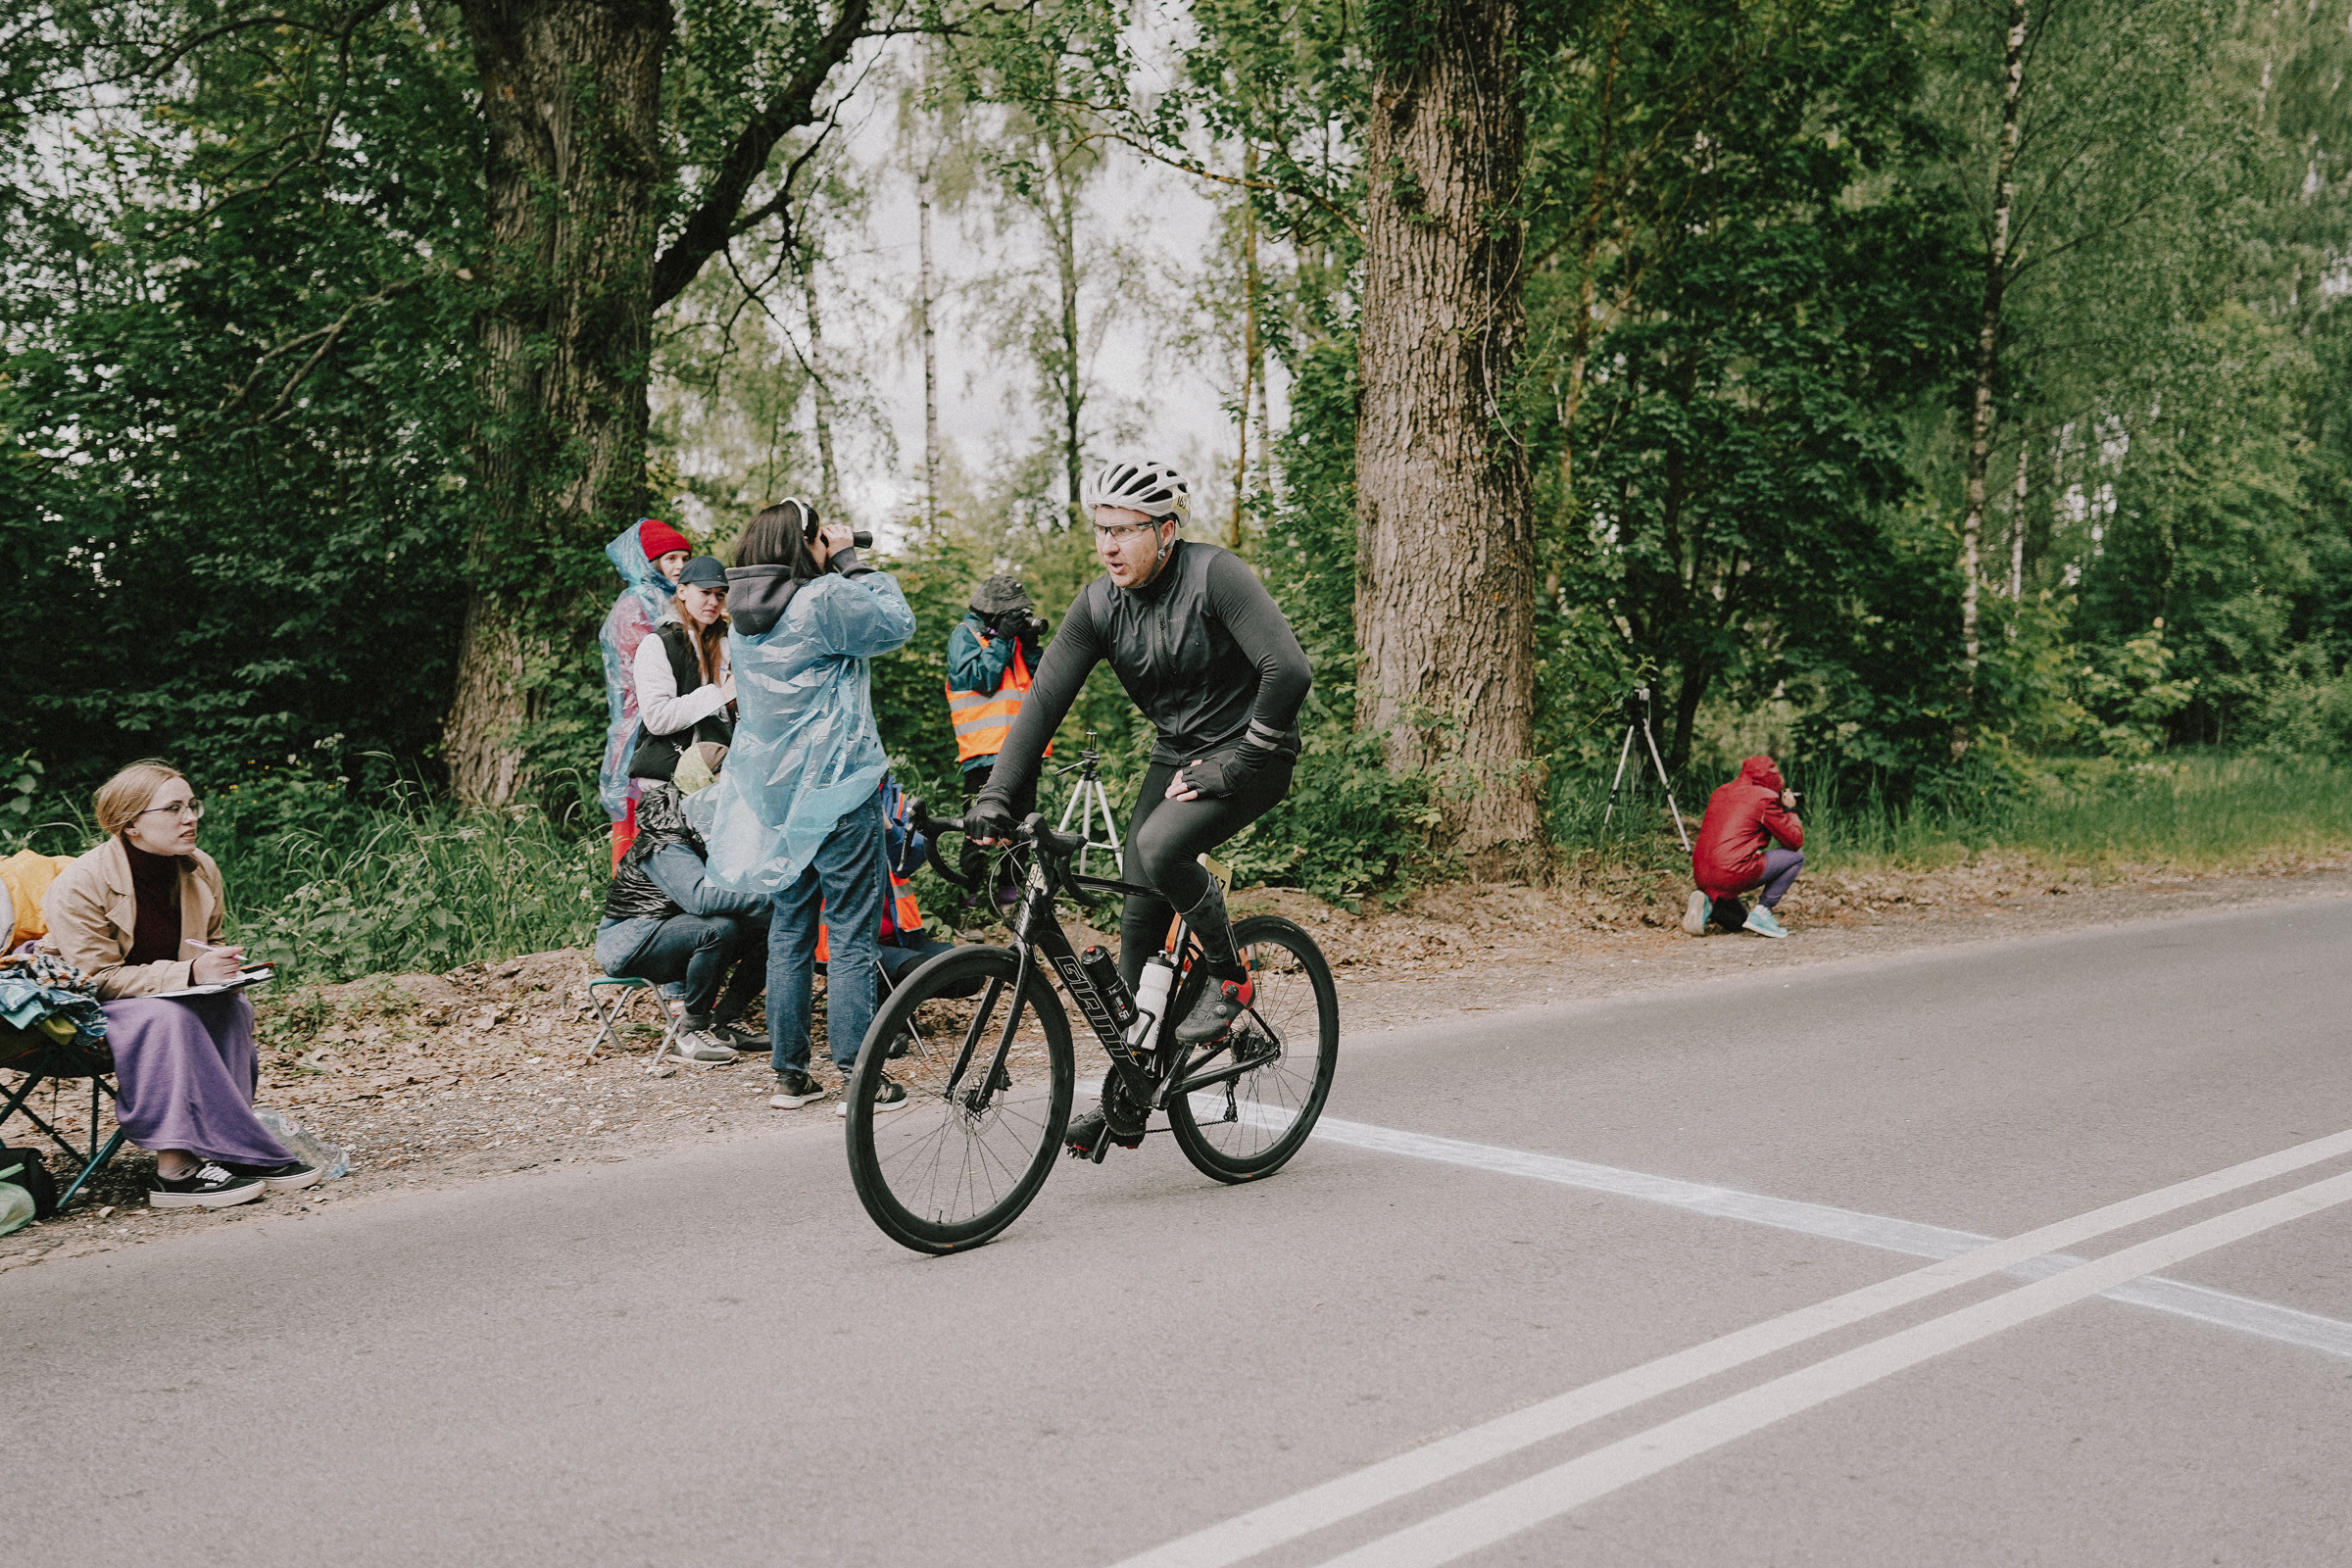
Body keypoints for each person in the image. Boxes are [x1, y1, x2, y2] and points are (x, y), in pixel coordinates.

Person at [965, 456, 1311, 1156]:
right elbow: (1040, 706)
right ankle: (1130, 1088)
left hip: (1252, 752)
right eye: (1101, 530)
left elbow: (1289, 669)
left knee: (1159, 850)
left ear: (1167, 531)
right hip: (1178, 755)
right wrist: (998, 795)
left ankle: (1229, 977)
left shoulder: (1216, 575)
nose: (1109, 546)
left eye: (1125, 530)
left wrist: (1240, 762)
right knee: (1137, 910)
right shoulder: (1100, 605)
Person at [688, 499, 914, 1112]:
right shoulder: (819, 601)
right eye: (819, 539)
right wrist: (849, 560)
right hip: (839, 791)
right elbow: (895, 623)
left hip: (777, 801)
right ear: (804, 543)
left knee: (789, 929)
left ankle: (790, 1074)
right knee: (850, 934)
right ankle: (858, 1075)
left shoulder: (741, 620)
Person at [41, 760, 317, 1209]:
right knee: (167, 1016)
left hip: (171, 995)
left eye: (192, 806)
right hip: (91, 1007)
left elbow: (211, 943)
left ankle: (234, 1147)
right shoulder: (79, 884)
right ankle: (174, 1172)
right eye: (173, 809)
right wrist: (189, 974)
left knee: (231, 1007)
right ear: (129, 823)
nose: (190, 818)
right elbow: (95, 979)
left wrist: (224, 970)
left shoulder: (199, 867)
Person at [594, 755, 768, 1063]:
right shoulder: (664, 837)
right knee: (717, 929)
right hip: (630, 939)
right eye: (723, 774)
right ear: (699, 779)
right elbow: (699, 898)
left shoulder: (703, 824)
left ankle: (726, 1021)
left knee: (769, 924)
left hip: (671, 929)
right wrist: (770, 897)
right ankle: (689, 1033)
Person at [598, 516, 694, 867]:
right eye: (671, 559)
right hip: (640, 727)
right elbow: (648, 671)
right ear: (651, 562)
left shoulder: (673, 599)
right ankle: (628, 898)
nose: (680, 566)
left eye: (685, 558)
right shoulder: (635, 605)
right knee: (636, 816)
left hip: (671, 720)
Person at [945, 574, 1048, 896]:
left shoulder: (1010, 641)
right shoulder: (965, 636)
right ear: (994, 612)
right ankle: (971, 893)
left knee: (1020, 826)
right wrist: (1004, 638)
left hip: (1024, 748)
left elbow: (1043, 682)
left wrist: (1030, 646)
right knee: (979, 827)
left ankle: (1009, 892)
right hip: (985, 751)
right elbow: (982, 678)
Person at [628, 554, 737, 783]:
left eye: (720, 594)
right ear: (682, 592)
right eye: (705, 592)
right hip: (669, 778)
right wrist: (720, 695)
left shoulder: (728, 642)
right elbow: (657, 718)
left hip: (718, 770)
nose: (714, 602)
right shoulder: (659, 643)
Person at [1683, 754, 1805, 939]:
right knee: (1796, 857)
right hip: (1731, 872)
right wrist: (1789, 810)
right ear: (1773, 778)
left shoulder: (1721, 791)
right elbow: (1794, 841)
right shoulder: (1765, 798)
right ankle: (1763, 911)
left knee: (1738, 921)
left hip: (1702, 874)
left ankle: (1706, 902)